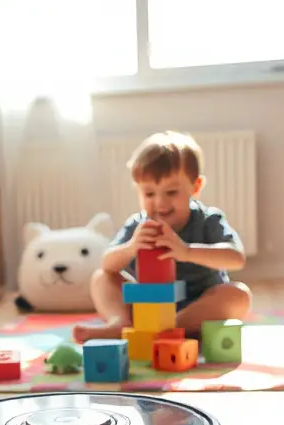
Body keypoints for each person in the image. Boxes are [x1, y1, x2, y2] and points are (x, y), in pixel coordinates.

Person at [72, 131, 251, 343]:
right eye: (149, 194)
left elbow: (236, 258)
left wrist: (187, 251)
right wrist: (131, 246)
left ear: (196, 187)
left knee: (238, 295)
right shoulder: (139, 225)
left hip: (198, 308)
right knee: (101, 278)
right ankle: (121, 323)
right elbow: (107, 264)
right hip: (147, 310)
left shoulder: (207, 220)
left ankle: (172, 327)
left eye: (171, 192)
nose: (160, 203)